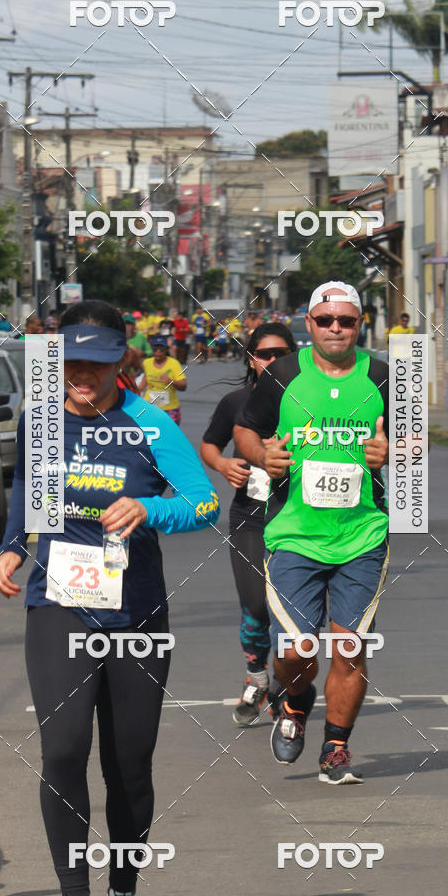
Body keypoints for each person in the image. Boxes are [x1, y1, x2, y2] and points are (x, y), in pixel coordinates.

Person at [0, 299, 219, 896]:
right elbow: (26, 501)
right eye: (71, 363)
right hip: (59, 605)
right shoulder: (41, 424)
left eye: (95, 363)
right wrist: (12, 548)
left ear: (121, 360)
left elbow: (202, 502)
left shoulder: (150, 424)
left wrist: (149, 508)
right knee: (62, 750)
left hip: (136, 614)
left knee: (129, 764)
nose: (81, 376)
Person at [234, 281, 389, 785]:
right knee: (298, 650)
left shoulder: (383, 376)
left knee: (349, 648)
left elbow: (413, 442)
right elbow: (244, 429)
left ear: (360, 323)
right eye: (326, 321)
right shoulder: (282, 374)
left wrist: (395, 452)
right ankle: (296, 701)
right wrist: (262, 456)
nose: (336, 329)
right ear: (309, 324)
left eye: (346, 320)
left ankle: (337, 747)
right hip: (294, 534)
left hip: (362, 533)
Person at [200, 322, 297, 725]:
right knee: (255, 603)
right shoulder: (236, 402)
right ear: (251, 359)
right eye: (264, 354)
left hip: (300, 519)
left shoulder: (309, 400)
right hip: (250, 518)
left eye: (281, 354)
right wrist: (223, 465)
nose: (272, 361)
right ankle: (257, 679)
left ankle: (287, 687)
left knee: (292, 614)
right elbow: (209, 444)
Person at [143, 336, 187, 424]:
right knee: (149, 435)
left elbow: (183, 386)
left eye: (161, 349)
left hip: (170, 409)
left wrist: (170, 381)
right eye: (155, 349)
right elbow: (145, 379)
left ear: (166, 350)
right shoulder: (146, 363)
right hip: (150, 408)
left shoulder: (174, 364)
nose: (158, 352)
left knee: (170, 436)